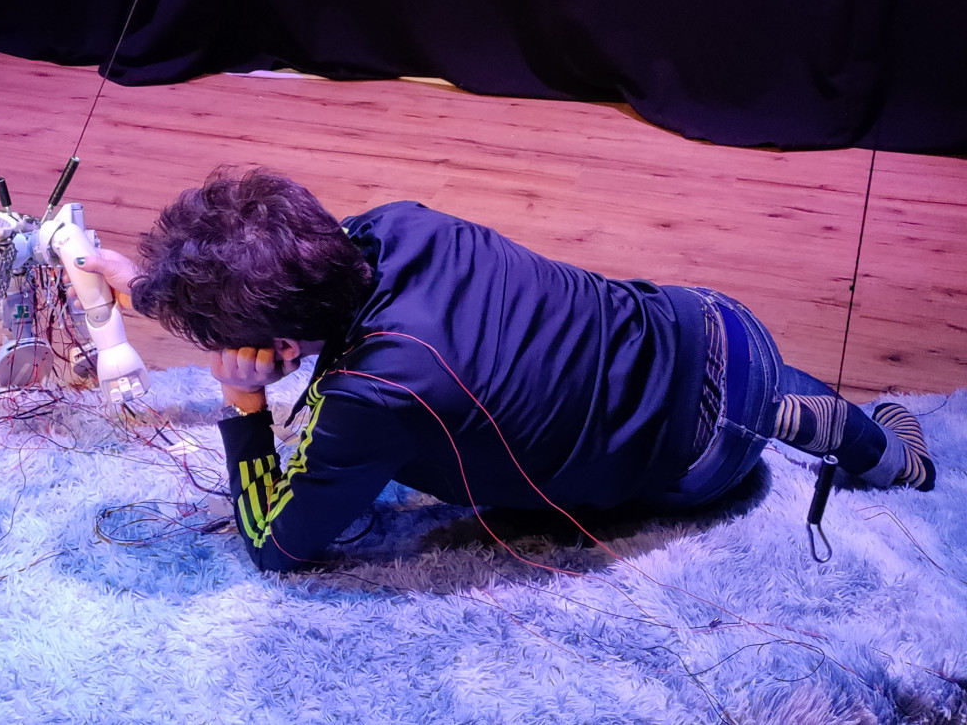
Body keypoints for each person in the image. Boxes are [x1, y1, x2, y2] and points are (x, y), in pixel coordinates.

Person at [80, 167, 935, 573]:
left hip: (699, 461)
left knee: (704, 436)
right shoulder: (394, 225)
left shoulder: (376, 394)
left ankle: (760, 427)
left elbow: (278, 543)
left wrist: (242, 399)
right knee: (711, 371)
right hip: (714, 320)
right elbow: (275, 266)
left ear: (282, 340)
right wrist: (144, 284)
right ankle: (875, 446)